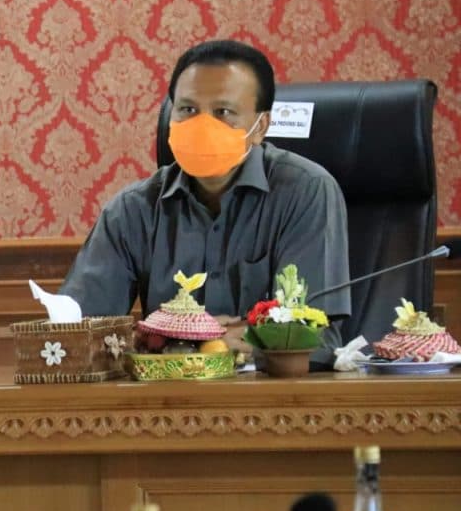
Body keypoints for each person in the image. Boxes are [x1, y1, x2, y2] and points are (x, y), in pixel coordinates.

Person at [60, 40, 350, 365]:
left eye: (223, 112)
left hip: (273, 403)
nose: (202, 125)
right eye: (187, 110)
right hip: (166, 403)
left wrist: (176, 341)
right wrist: (207, 340)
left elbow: (316, 338)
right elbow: (77, 333)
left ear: (261, 127)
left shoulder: (305, 191)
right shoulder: (131, 209)